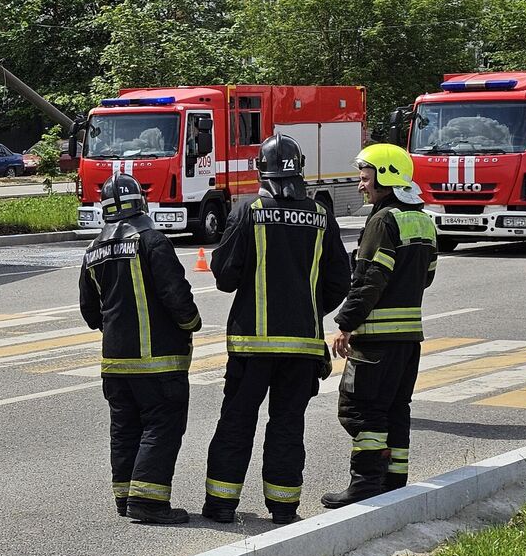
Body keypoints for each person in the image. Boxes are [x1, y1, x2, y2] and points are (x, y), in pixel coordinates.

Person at [201, 135, 350, 525]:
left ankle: (220, 505)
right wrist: (308, 308)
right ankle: (284, 507)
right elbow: (339, 281)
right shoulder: (321, 215)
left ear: (259, 169)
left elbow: (225, 277)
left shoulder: (248, 209)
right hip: (301, 346)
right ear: (300, 167)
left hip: (251, 346)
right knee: (287, 424)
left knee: (236, 420)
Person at [79, 172, 202, 525]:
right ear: (142, 204)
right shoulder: (151, 241)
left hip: (114, 363)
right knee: (161, 425)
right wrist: (191, 324)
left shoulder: (93, 250)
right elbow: (176, 295)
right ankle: (147, 502)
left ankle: (125, 496)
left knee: (125, 427)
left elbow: (90, 312)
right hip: (158, 362)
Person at [322, 144, 437, 508]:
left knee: (360, 409)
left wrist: (346, 323)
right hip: (408, 339)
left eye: (365, 176)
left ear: (385, 175)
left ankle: (366, 481)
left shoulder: (383, 220)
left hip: (376, 340)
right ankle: (394, 479)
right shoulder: (423, 219)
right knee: (396, 407)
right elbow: (428, 277)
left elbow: (371, 277)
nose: (360, 185)